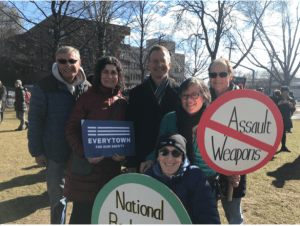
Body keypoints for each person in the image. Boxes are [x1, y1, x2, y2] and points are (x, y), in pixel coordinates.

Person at [28, 46, 90, 224]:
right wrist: (37, 152)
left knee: (81, 199)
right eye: (62, 61)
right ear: (56, 62)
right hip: (56, 155)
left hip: (80, 154)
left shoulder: (87, 87)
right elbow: (35, 121)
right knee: (58, 201)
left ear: (79, 63)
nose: (67, 65)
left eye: (72, 61)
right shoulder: (43, 87)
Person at [63, 56, 127, 224]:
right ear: (99, 74)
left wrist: (124, 154)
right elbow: (71, 129)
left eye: (114, 72)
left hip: (110, 171)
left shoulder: (123, 102)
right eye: (105, 72)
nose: (110, 76)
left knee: (105, 217)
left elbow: (125, 136)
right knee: (81, 217)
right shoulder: (87, 98)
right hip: (86, 172)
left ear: (119, 76)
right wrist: (85, 152)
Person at [140, 78, 217, 183]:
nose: (189, 100)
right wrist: (150, 160)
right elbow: (159, 147)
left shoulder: (215, 121)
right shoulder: (169, 119)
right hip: (175, 181)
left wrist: (231, 173)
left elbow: (222, 154)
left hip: (205, 181)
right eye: (185, 95)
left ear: (204, 97)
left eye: (194, 95)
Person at [145, 132, 221, 224]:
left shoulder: (195, 176)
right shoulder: (148, 178)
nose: (169, 158)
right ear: (158, 157)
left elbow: (208, 215)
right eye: (164, 152)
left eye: (176, 153)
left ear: (182, 158)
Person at [125, 45, 180, 172]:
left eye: (163, 61)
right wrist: (131, 162)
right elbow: (130, 128)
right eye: (155, 61)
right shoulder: (136, 93)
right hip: (141, 159)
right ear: (148, 64)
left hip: (171, 159)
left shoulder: (180, 93)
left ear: (169, 64)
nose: (159, 65)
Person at [208, 58, 245, 224]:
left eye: (222, 73)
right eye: (213, 74)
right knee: (209, 215)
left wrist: (238, 169)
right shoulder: (204, 98)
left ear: (230, 76)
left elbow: (249, 138)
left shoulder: (243, 99)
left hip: (233, 168)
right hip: (208, 167)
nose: (217, 78)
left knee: (234, 217)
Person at [276, 86, 295, 152]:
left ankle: (283, 146)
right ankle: (273, 147)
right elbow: (272, 107)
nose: (285, 94)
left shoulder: (291, 99)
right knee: (276, 133)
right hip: (277, 118)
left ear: (288, 92)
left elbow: (293, 109)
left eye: (286, 92)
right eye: (283, 92)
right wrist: (278, 104)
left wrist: (291, 106)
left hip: (286, 118)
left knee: (283, 133)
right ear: (281, 92)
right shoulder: (277, 98)